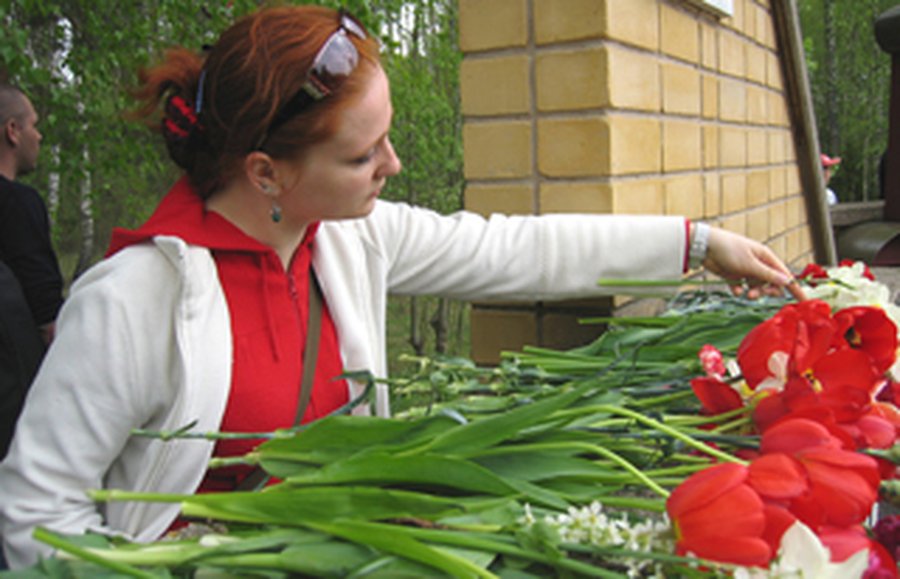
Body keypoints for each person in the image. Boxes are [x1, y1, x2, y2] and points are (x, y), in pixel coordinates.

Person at [0, 5, 805, 569]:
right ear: (265, 171)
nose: (391, 166)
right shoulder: (131, 301)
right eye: (363, 156)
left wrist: (696, 242)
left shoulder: (350, 239)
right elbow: (34, 511)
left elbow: (515, 249)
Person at [0, 84, 63, 460]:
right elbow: (46, 317)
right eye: (33, 126)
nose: (38, 136)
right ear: (12, 131)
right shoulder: (18, 205)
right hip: (12, 396)